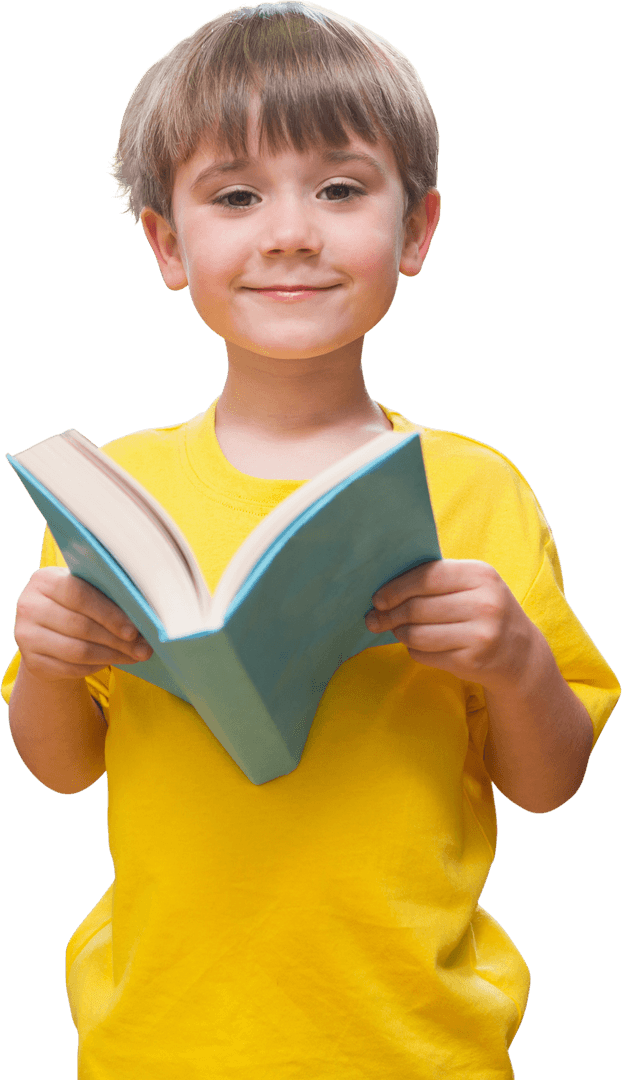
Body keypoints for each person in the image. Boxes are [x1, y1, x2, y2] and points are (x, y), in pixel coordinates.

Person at [2, 3, 619, 1077]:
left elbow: (551, 782)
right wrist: (49, 664)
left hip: (418, 1042)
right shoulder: (115, 493)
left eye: (339, 189)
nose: (289, 232)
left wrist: (515, 657)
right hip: (158, 1036)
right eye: (234, 195)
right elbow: (62, 772)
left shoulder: (474, 485)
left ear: (415, 229)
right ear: (166, 243)